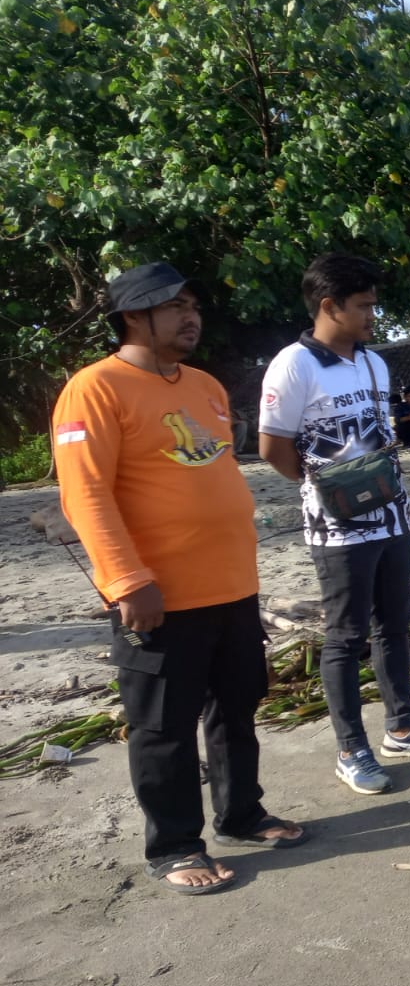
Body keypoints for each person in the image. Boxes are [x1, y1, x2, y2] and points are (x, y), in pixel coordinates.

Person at [53, 262, 306, 894]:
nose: (191, 315)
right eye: (174, 306)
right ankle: (173, 845)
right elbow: (85, 495)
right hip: (158, 596)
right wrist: (126, 580)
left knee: (237, 708)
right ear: (134, 317)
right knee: (164, 727)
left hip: (233, 586)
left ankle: (241, 814)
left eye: (193, 304)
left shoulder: (205, 386)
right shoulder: (95, 389)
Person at [259, 253, 410, 795]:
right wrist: (321, 486)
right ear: (329, 306)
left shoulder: (371, 362)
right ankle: (352, 750)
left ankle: (401, 726)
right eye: (364, 305)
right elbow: (273, 447)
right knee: (345, 637)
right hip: (339, 530)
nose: (374, 314)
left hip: (392, 516)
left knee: (394, 629)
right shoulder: (293, 365)